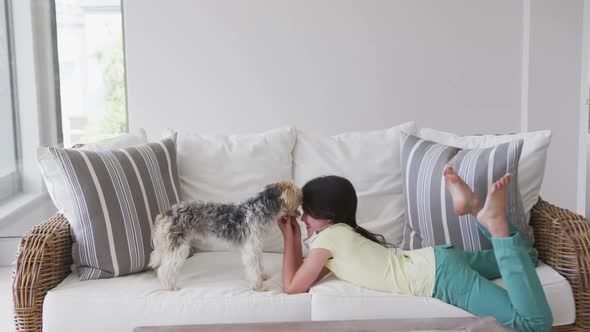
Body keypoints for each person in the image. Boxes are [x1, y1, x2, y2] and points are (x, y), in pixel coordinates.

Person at [277, 167, 553, 332]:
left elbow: (292, 286)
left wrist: (289, 237)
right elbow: (307, 275)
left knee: (533, 323)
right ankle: (476, 209)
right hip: (439, 257)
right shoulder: (342, 236)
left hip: (441, 279)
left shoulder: (327, 242)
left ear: (330, 214)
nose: (303, 219)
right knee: (528, 256)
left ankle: (493, 223)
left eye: (307, 214)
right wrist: (294, 235)